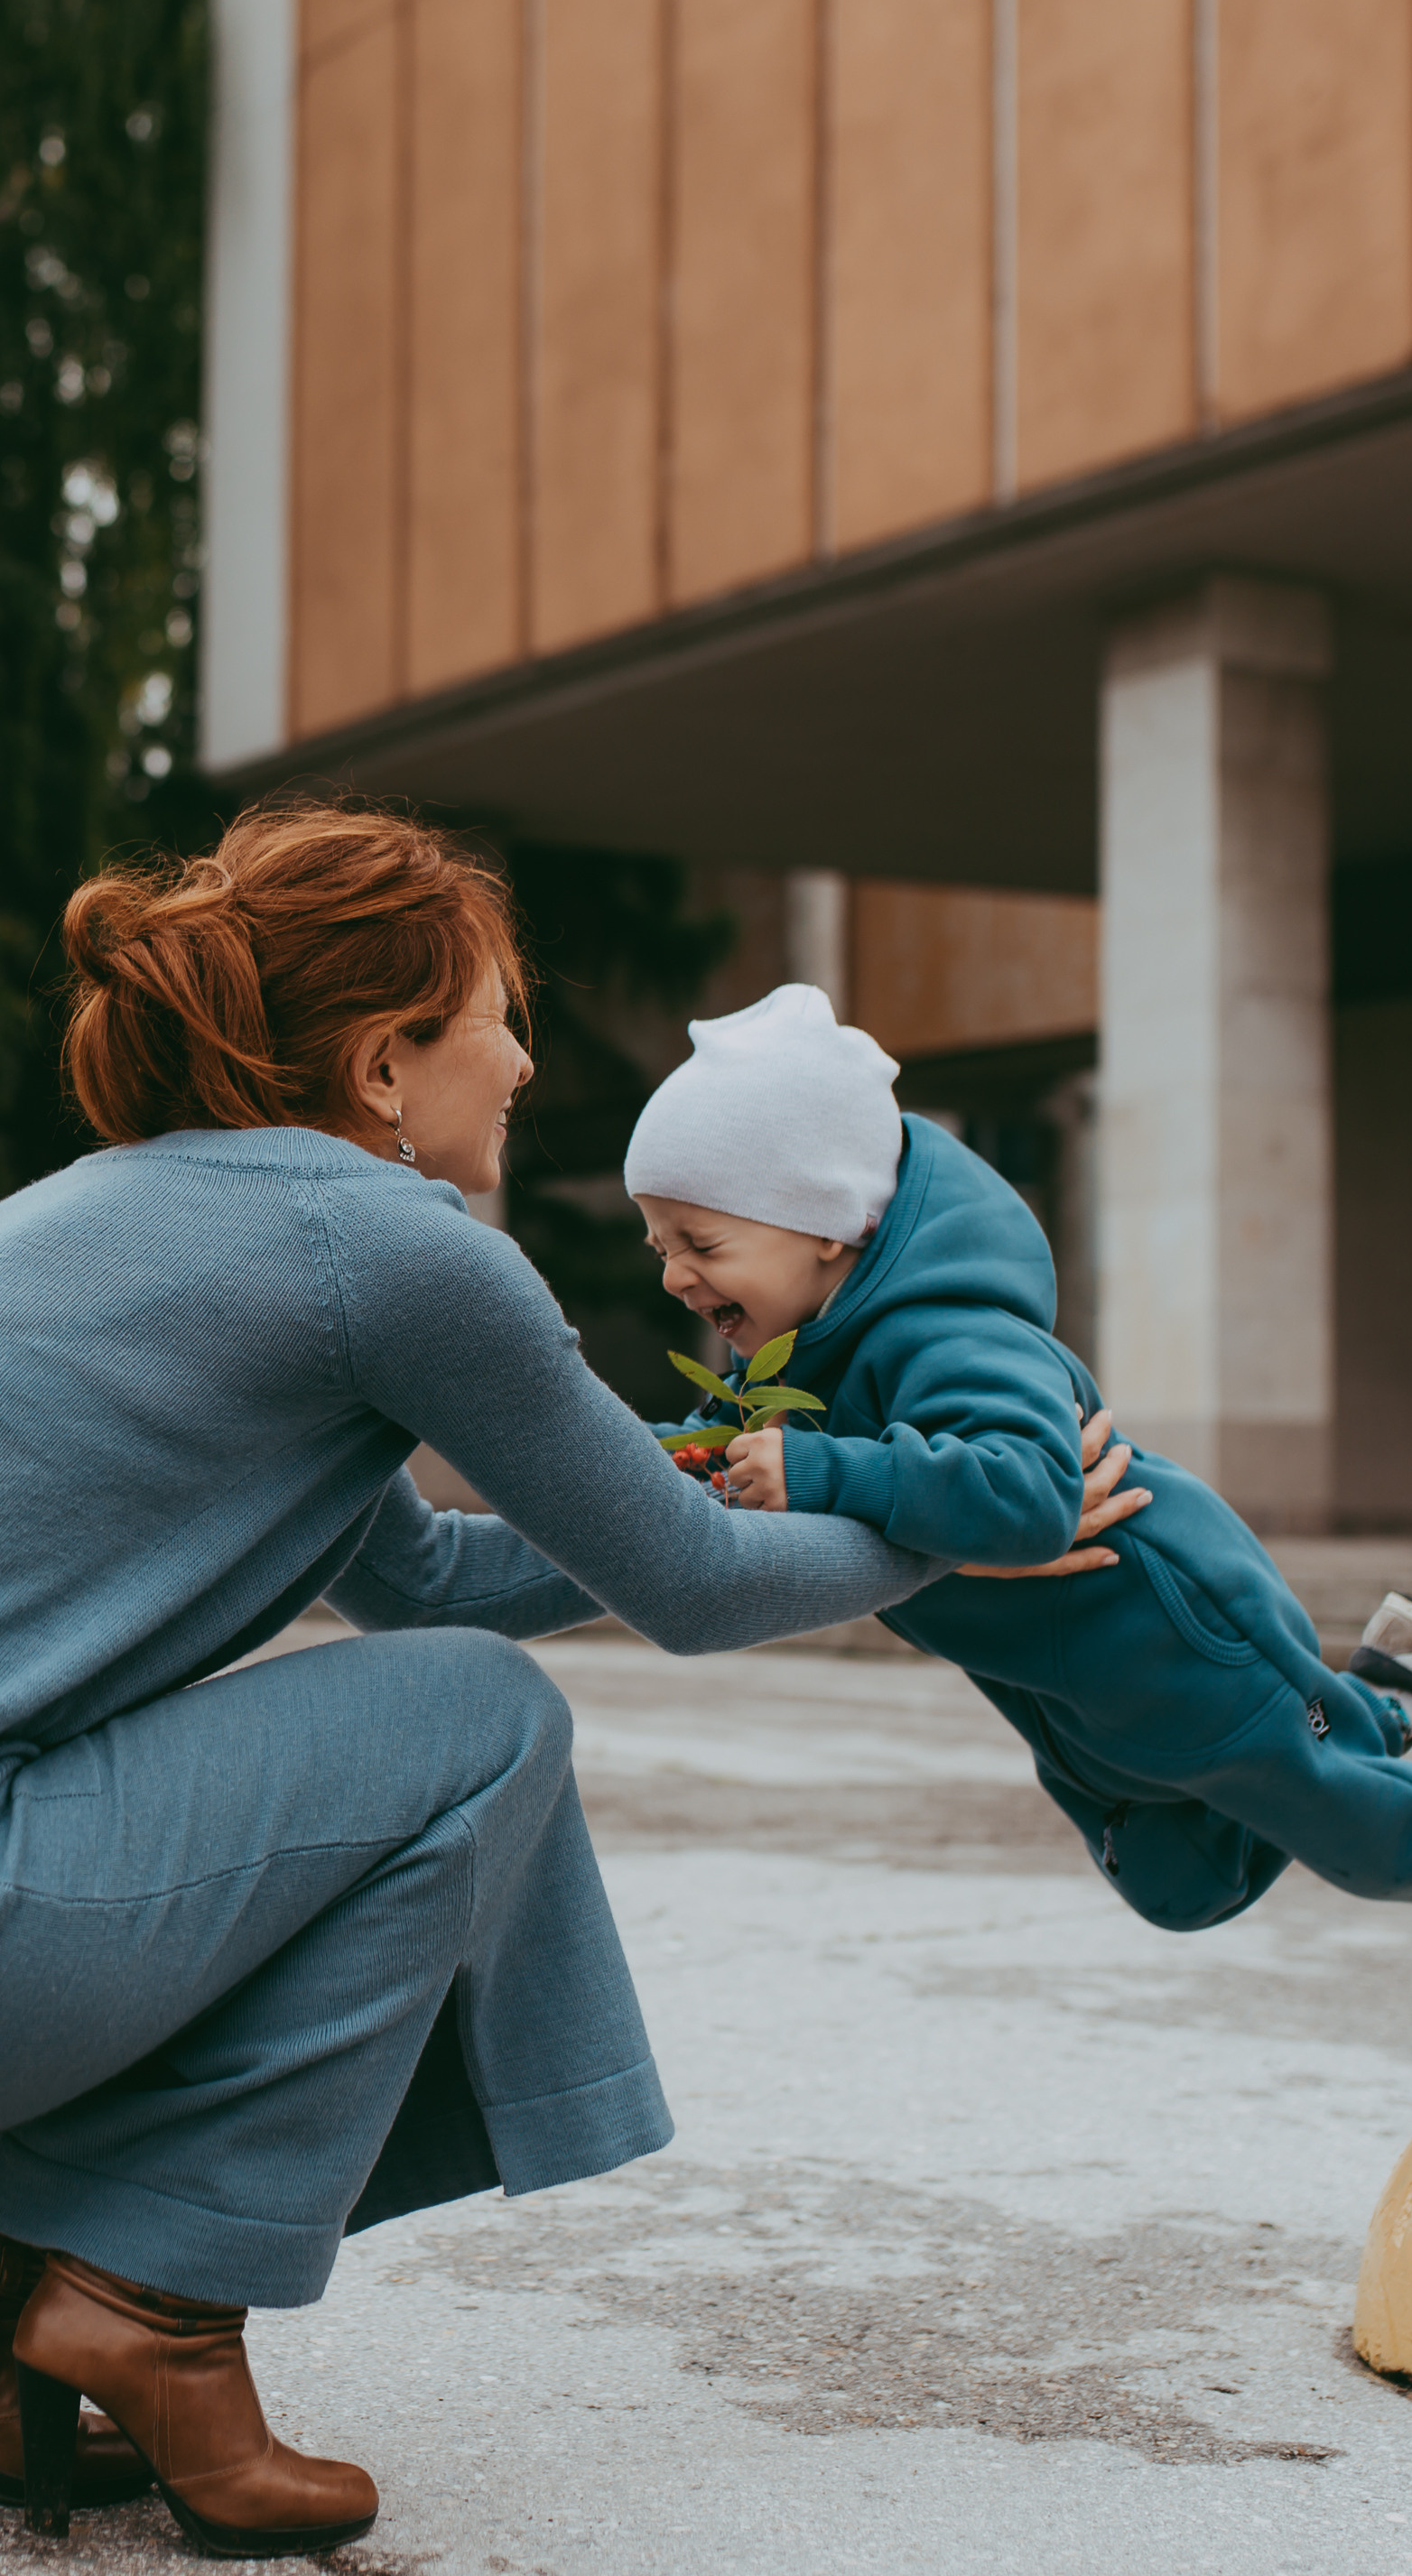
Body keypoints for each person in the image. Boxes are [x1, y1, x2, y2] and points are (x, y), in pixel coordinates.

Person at [0, 808, 1140, 2555]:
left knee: (403, 1702)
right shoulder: (392, 1249)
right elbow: (680, 1597)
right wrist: (958, 1522)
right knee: (482, 1722)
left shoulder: (109, 1211)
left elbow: (424, 1569)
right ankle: (153, 2304)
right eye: (493, 1014)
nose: (525, 1057)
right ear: (387, 1062)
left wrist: (711, 1456)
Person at [625, 983, 1412, 1956]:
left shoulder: (955, 1335)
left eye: (703, 1243)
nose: (674, 1276)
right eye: (658, 1243)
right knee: (1181, 1889)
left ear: (826, 1224)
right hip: (1082, 1696)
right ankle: (1399, 1696)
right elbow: (723, 1462)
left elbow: (1027, 1499)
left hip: (1181, 1636)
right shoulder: (793, 1360)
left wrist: (828, 1475)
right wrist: (687, 1466)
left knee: (1392, 1846)